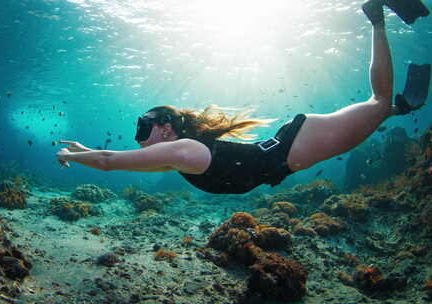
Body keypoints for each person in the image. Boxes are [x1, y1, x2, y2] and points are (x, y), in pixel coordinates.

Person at [56, 0, 431, 194]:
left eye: (143, 126)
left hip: (293, 150)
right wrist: (83, 149)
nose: (138, 136)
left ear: (167, 129)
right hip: (290, 145)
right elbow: (122, 160)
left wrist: (75, 154)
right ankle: (403, 106)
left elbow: (109, 161)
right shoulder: (176, 156)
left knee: (376, 103)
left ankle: (376, 14)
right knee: (378, 111)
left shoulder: (183, 150)